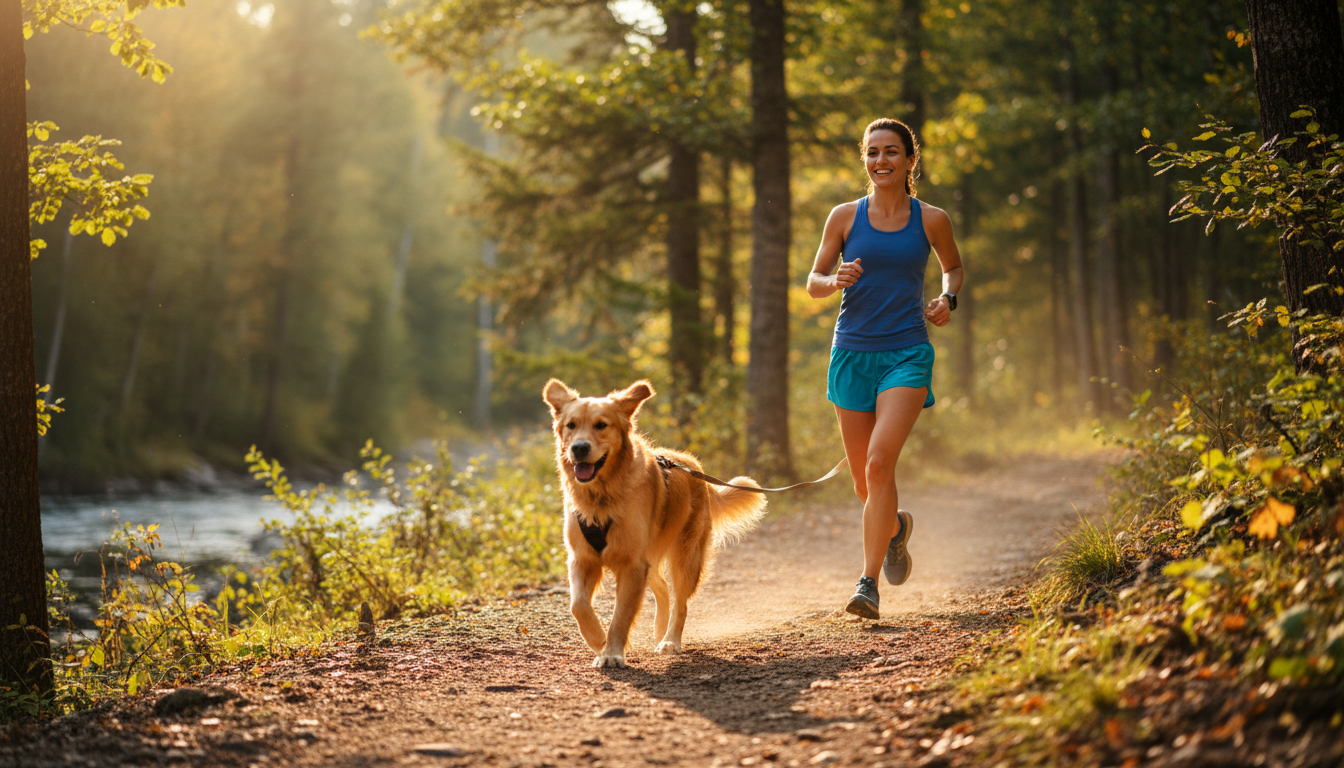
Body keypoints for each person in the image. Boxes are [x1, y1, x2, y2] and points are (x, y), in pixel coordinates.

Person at [805, 117, 965, 619]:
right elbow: (813, 281)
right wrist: (834, 280)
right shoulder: (844, 217)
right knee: (864, 485)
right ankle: (895, 529)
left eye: (891, 151)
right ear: (865, 159)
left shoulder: (931, 219)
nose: (881, 161)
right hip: (851, 354)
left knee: (878, 465)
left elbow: (953, 267)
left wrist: (947, 299)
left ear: (910, 160)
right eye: (872, 152)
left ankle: (867, 583)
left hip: (906, 353)